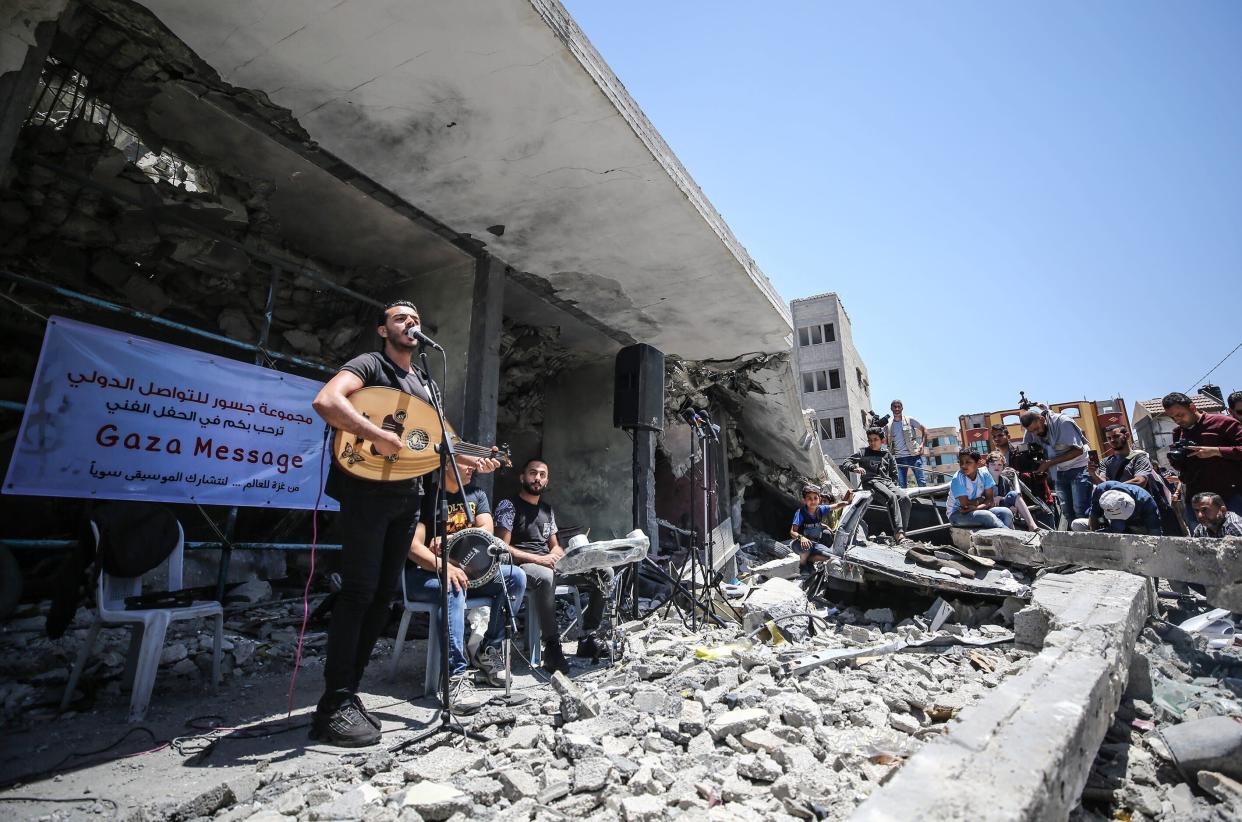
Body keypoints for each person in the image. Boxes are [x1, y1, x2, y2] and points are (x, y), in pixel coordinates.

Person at [309, 300, 500, 747]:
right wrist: (377, 435)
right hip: (365, 494)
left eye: (415, 319)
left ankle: (348, 695)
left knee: (381, 597)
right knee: (357, 592)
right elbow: (327, 400)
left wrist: (477, 460)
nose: (410, 324)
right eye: (400, 318)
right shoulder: (369, 364)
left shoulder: (425, 381)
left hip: (406, 499)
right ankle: (333, 702)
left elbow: (440, 443)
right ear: (383, 329)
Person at [404, 463, 526, 708]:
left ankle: (487, 652)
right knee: (454, 584)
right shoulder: (427, 496)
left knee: (515, 576)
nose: (473, 467)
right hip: (424, 574)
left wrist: (449, 539)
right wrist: (444, 566)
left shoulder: (476, 494)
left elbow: (486, 532)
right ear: (448, 462)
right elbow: (413, 548)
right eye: (466, 462)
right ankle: (455, 675)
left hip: (469, 573)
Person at [494, 459, 613, 673]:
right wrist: (539, 559)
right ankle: (552, 646)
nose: (537, 478)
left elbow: (555, 546)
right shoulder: (508, 505)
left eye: (542, 474)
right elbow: (502, 546)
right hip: (524, 566)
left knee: (604, 572)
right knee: (546, 577)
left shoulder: (547, 510)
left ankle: (587, 638)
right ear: (522, 477)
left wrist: (562, 556)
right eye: (532, 473)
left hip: (549, 563)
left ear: (546, 480)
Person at [1162, 391, 1242, 530]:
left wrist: (1216, 451)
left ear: (1192, 408)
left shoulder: (1223, 423)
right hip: (1196, 502)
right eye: (1173, 418)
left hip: (1229, 498)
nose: (1178, 420)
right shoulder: (1178, 433)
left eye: (1180, 415)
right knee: (1203, 547)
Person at [1021, 407, 1092, 526]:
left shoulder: (1063, 422)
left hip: (1080, 466)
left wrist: (1049, 463)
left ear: (1042, 419)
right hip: (1059, 470)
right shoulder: (1031, 431)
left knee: (1081, 510)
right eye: (1031, 431)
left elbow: (1078, 451)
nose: (1035, 433)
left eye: (1036, 429)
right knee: (1067, 512)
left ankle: (1092, 540)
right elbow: (1028, 451)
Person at [840, 428, 911, 542]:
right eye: (870, 440)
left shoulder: (887, 454)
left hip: (886, 482)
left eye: (875, 440)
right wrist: (855, 468)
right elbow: (846, 462)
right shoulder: (863, 452)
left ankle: (903, 532)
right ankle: (898, 534)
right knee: (891, 497)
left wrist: (894, 485)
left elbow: (894, 473)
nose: (872, 443)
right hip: (871, 481)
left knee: (905, 498)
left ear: (882, 440)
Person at [991, 423, 1055, 528]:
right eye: (994, 436)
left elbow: (1040, 473)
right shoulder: (995, 459)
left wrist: (1017, 474)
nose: (997, 438)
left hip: (1038, 504)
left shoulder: (1022, 452)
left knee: (1050, 538)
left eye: (1000, 435)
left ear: (1008, 436)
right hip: (1016, 510)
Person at [947, 449, 1014, 529]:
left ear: (978, 463)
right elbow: (965, 506)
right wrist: (981, 500)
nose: (963, 466)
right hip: (956, 515)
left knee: (1006, 512)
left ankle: (1002, 538)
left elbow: (990, 500)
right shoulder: (958, 478)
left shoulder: (985, 473)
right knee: (987, 516)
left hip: (977, 510)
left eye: (968, 462)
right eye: (961, 462)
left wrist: (976, 506)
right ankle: (1009, 534)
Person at [789, 484, 847, 572]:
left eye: (815, 498)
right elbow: (792, 532)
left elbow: (837, 505)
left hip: (814, 543)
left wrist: (849, 502)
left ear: (819, 499)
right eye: (809, 498)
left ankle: (809, 560)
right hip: (799, 544)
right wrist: (802, 538)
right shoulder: (801, 513)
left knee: (831, 556)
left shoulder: (820, 509)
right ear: (804, 500)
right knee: (807, 547)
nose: (813, 501)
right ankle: (802, 565)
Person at [1071, 481, 1163, 535]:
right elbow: (1094, 515)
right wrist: (1095, 536)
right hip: (1109, 524)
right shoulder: (1101, 490)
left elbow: (1155, 532)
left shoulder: (1145, 501)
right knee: (1077, 524)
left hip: (1137, 528)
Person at [887, 400, 928, 488]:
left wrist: (922, 445)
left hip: (914, 456)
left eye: (899, 407)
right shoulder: (889, 425)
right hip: (899, 458)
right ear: (891, 408)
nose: (897, 409)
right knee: (901, 486)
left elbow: (924, 429)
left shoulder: (909, 420)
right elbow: (880, 437)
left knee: (921, 482)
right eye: (895, 407)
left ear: (902, 408)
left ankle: (926, 501)